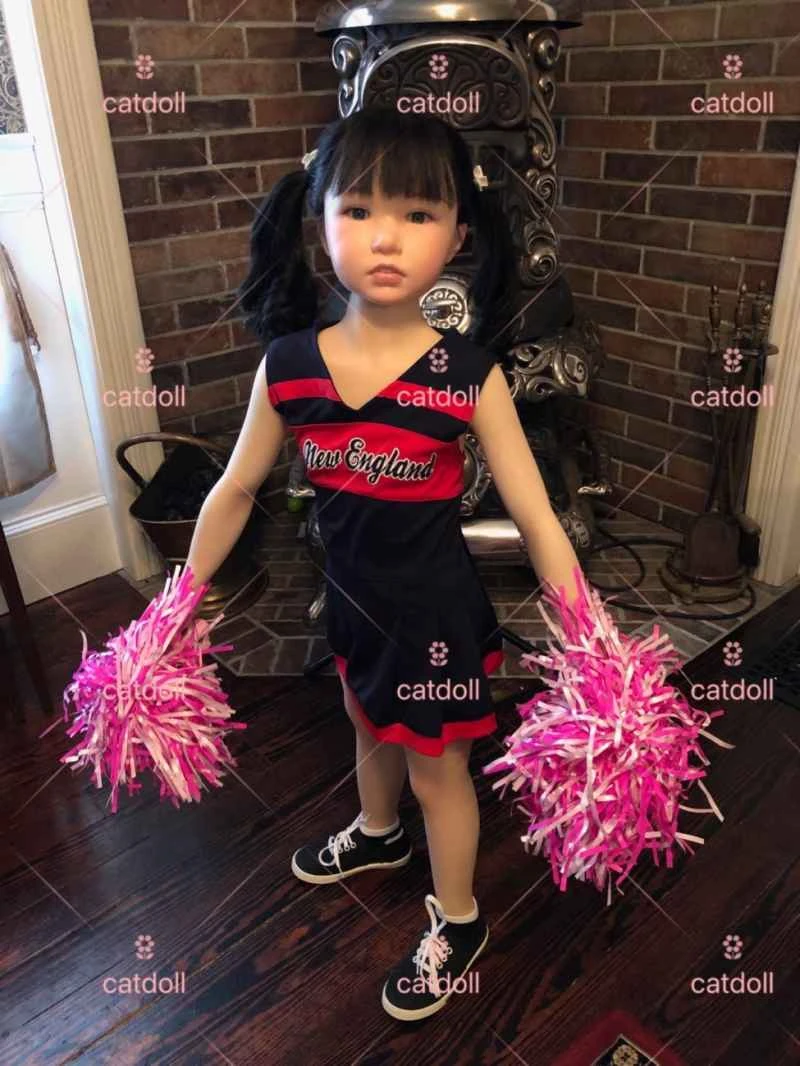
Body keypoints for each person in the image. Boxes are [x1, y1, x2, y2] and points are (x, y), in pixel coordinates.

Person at [185, 105, 583, 1021]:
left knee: (438, 770)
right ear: (319, 219)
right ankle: (376, 833)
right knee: (365, 722)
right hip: (351, 602)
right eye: (358, 210)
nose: (386, 238)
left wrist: (587, 631)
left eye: (417, 213)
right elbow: (237, 489)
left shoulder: (467, 375)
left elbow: (534, 513)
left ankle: (461, 919)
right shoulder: (289, 367)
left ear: (459, 235)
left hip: (435, 619)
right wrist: (178, 601)